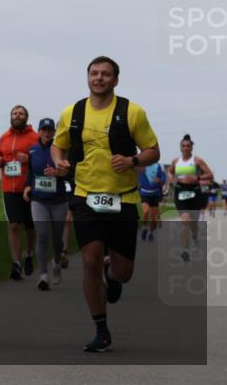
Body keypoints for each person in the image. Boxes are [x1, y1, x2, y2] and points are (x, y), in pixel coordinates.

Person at [51, 56, 160, 353]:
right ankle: (101, 329)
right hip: (85, 195)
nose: (99, 78)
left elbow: (153, 150)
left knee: (123, 272)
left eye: (106, 74)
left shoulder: (131, 112)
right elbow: (58, 144)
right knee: (89, 258)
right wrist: (59, 160)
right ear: (87, 77)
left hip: (123, 198)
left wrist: (132, 160)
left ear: (115, 80)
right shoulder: (72, 112)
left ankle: (113, 273)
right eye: (94, 73)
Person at [0, 105, 39, 280]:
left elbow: (43, 159)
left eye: (21, 113)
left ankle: (28, 254)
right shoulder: (4, 137)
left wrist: (29, 158)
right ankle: (15, 263)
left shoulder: (35, 137)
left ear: (26, 117)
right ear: (11, 116)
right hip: (9, 189)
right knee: (13, 225)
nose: (17, 115)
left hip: (29, 188)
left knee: (30, 226)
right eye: (14, 113)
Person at [22, 118, 67, 290]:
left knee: (56, 239)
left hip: (58, 200)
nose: (47, 132)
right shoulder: (32, 150)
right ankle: (43, 274)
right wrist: (27, 186)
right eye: (44, 129)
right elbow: (30, 174)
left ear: (54, 132)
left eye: (50, 130)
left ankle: (56, 263)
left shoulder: (61, 150)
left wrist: (58, 172)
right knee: (41, 236)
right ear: (39, 131)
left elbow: (70, 173)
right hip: (38, 200)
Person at [168, 134, 213, 262]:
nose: (186, 148)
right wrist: (170, 177)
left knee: (193, 224)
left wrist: (198, 178)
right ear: (180, 148)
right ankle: (185, 250)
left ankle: (195, 237)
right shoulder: (176, 161)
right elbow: (170, 171)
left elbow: (210, 175)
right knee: (185, 222)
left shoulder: (197, 160)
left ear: (191, 147)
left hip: (194, 193)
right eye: (183, 146)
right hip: (180, 191)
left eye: (188, 146)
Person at [138, 158, 167, 242]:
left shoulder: (157, 166)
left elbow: (163, 177)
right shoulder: (141, 165)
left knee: (154, 217)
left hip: (155, 194)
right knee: (145, 212)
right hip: (144, 193)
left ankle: (151, 233)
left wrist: (160, 180)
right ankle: (144, 228)